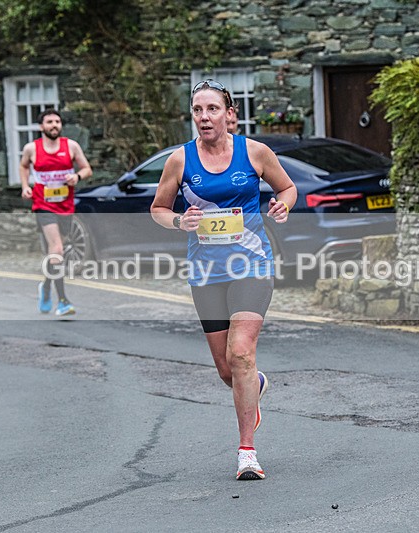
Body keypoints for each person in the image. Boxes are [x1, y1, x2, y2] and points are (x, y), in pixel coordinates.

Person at [151, 79, 296, 480]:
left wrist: (281, 206)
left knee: (241, 353)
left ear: (229, 114)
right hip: (206, 272)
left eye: (212, 109)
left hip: (251, 265)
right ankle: (255, 384)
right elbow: (158, 208)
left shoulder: (254, 152)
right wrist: (180, 220)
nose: (204, 117)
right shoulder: (179, 161)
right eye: (198, 110)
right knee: (226, 369)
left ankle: (246, 452)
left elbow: (287, 188)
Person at [20, 109, 92, 317]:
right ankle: (62, 300)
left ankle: (45, 286)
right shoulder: (31, 148)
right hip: (43, 204)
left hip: (65, 205)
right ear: (41, 126)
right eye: (49, 122)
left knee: (58, 252)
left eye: (57, 121)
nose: (54, 125)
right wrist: (26, 186)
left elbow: (87, 169)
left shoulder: (71, 146)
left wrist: (77, 177)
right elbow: (24, 166)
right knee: (57, 248)